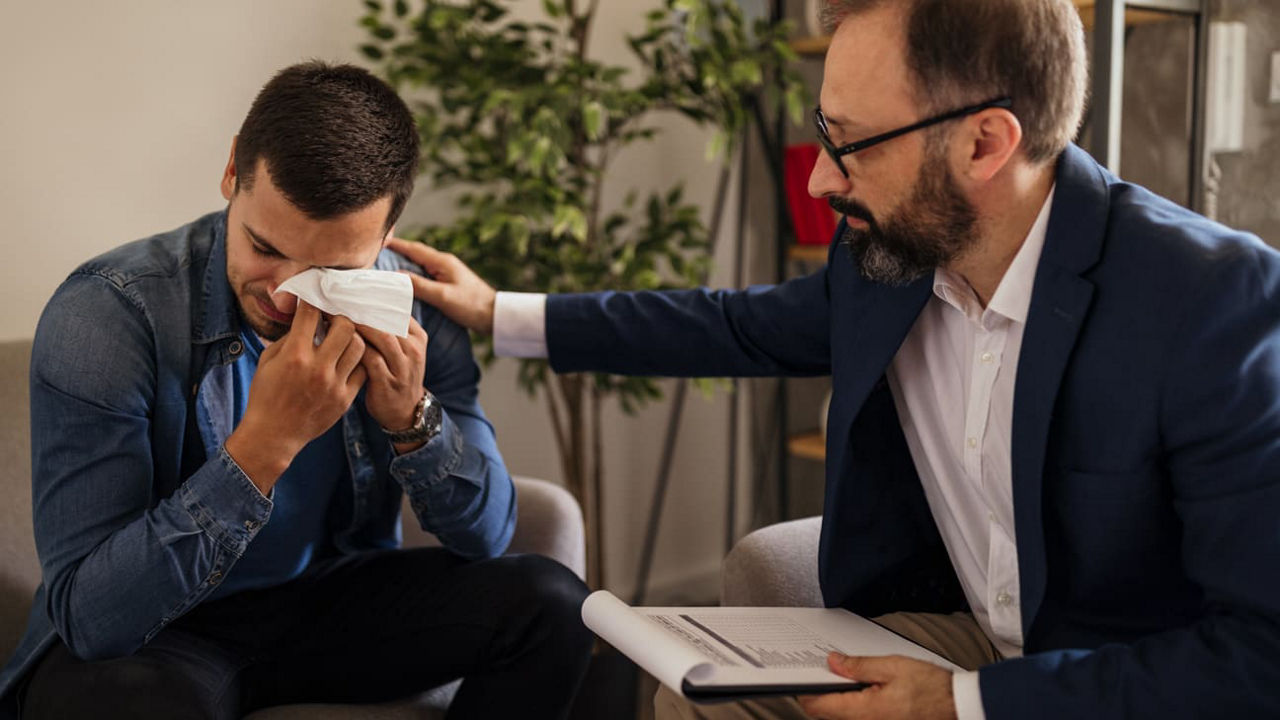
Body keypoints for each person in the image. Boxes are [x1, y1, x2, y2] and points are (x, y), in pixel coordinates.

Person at [388, 0, 1280, 718]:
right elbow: (729, 326)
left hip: (1112, 682)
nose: (819, 180)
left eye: (850, 142)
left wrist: (964, 701)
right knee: (695, 697)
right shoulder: (888, 265)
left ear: (985, 142)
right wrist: (499, 311)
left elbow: (1261, 655)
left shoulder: (1211, 305)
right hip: (973, 644)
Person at [0, 61, 593, 720]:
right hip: (162, 634)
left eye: (333, 271)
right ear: (233, 172)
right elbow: (93, 623)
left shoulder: (413, 308)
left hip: (324, 605)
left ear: (386, 237)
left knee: (553, 604)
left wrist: (413, 421)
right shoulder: (108, 316)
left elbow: (487, 539)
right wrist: (263, 449)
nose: (285, 292)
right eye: (265, 247)